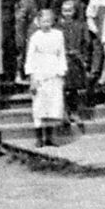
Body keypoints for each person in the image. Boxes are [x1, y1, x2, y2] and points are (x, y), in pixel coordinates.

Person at [24, 8, 67, 147]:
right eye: (43, 21)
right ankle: (39, 137)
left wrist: (61, 72)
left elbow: (61, 54)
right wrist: (32, 77)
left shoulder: (58, 35)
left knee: (52, 105)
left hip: (54, 71)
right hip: (40, 72)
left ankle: (49, 137)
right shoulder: (35, 37)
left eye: (49, 21)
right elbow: (30, 57)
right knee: (39, 105)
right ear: (39, 22)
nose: (46, 24)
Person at [4, 0, 45, 84]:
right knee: (19, 43)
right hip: (19, 12)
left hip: (33, 13)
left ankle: (31, 73)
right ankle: (17, 73)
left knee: (33, 41)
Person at [59, 0, 89, 132]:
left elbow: (86, 42)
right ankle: (64, 112)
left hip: (76, 60)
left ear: (74, 11)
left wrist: (82, 55)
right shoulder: (58, 26)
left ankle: (74, 112)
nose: (67, 13)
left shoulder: (80, 25)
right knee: (63, 87)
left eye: (70, 10)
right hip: (63, 59)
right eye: (65, 11)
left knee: (74, 88)